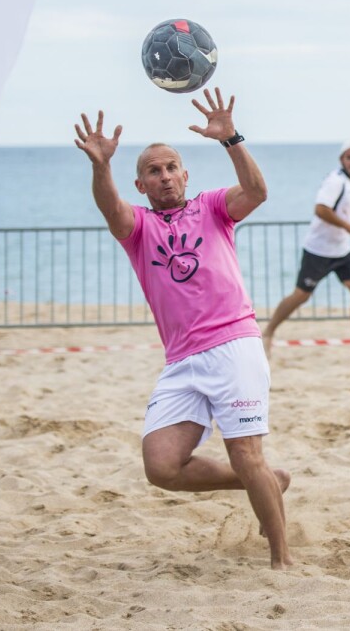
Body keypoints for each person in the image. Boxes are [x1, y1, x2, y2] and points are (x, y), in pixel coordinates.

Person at [73, 88, 293, 570]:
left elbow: (256, 192)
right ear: (142, 184)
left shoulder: (213, 207)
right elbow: (110, 209)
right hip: (182, 361)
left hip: (233, 345)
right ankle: (263, 483)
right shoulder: (138, 228)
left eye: (171, 167)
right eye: (154, 171)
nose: (165, 175)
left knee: (245, 453)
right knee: (162, 466)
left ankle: (282, 560)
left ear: (185, 175)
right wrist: (100, 166)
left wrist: (231, 138)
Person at [262, 141, 350, 355]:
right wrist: (348, 226)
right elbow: (321, 210)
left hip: (342, 249)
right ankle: (267, 332)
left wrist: (347, 229)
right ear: (342, 159)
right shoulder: (335, 181)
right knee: (301, 295)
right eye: (349, 157)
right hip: (318, 249)